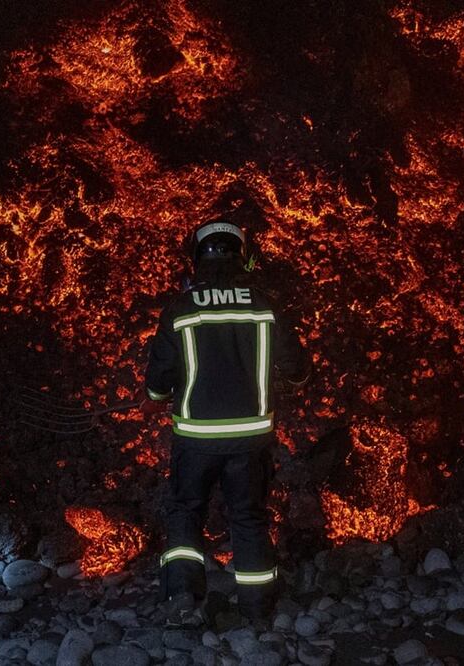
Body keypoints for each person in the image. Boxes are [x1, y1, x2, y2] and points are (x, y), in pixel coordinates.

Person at [141, 217, 310, 625]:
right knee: (248, 516)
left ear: (197, 258)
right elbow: (297, 369)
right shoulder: (265, 304)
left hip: (195, 439)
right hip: (251, 439)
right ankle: (256, 610)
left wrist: (158, 398)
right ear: (243, 257)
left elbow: (159, 380)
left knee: (185, 512)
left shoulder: (181, 308)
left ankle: (182, 599)